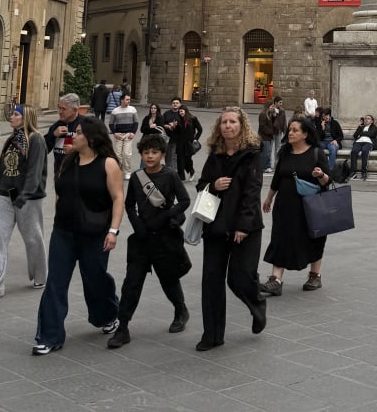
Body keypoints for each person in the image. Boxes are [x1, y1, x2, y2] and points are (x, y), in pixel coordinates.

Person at [32, 116, 124, 355]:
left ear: (93, 137)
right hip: (64, 232)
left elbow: (118, 198)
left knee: (95, 279)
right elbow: (60, 192)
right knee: (56, 283)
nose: (75, 135)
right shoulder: (68, 160)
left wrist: (113, 231)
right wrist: (59, 215)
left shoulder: (108, 164)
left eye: (81, 132)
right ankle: (49, 336)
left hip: (95, 234)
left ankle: (107, 315)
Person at [107, 132, 190, 348]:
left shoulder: (170, 176)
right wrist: (137, 225)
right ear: (141, 155)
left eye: (154, 152)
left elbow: (184, 201)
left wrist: (167, 217)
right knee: (131, 283)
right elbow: (129, 204)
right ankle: (123, 326)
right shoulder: (136, 177)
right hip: (142, 238)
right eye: (146, 153)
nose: (150, 156)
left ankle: (180, 309)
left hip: (164, 237)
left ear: (162, 154)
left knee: (168, 278)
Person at [194, 107, 266, 350]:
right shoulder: (215, 154)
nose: (227, 126)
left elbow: (252, 191)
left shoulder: (252, 154)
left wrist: (243, 226)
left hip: (245, 227)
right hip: (215, 226)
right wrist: (213, 185)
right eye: (224, 122)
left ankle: (257, 304)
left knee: (241, 278)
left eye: (232, 122)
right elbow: (201, 184)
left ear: (241, 125)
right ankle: (212, 334)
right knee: (211, 281)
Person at [0, 104, 47, 299]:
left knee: (33, 238)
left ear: (26, 118)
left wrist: (25, 195)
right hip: (5, 195)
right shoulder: (11, 139)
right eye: (13, 113)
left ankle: (40, 275)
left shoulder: (36, 140)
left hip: (28, 198)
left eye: (16, 114)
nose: (12, 116)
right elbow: (2, 170)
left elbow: (35, 171)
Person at [261, 117, 331, 294]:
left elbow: (327, 182)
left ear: (305, 134)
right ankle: (275, 280)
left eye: (295, 130)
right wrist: (269, 198)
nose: (290, 133)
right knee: (279, 238)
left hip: (309, 207)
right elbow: (277, 178)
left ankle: (315, 275)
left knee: (313, 238)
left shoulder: (316, 153)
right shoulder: (284, 152)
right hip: (284, 205)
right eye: (290, 130)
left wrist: (320, 174)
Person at [46, 93, 82, 176]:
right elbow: (44, 149)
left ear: (75, 110)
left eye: (64, 109)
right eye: (59, 108)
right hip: (59, 173)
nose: (60, 112)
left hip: (78, 174)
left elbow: (95, 150)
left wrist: (75, 148)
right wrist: (53, 135)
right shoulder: (56, 126)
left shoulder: (85, 124)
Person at [108, 91, 139, 178]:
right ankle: (118, 171)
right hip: (118, 134)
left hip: (128, 134)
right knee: (118, 154)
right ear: (122, 100)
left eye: (129, 99)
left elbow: (136, 122)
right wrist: (114, 133)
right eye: (127, 99)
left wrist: (133, 132)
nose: (129, 101)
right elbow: (111, 123)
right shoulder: (115, 111)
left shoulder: (133, 109)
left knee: (126, 154)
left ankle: (127, 171)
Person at [176, 105, 202, 180]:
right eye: (179, 111)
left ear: (185, 111)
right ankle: (181, 176)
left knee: (187, 160)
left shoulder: (193, 119)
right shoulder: (177, 120)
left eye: (181, 111)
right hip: (180, 142)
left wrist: (196, 139)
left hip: (189, 143)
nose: (180, 113)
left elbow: (200, 129)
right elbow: (177, 132)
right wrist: (174, 126)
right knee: (180, 160)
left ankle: (191, 171)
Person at [349, 115, 377, 180]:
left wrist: (361, 133)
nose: (366, 120)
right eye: (365, 119)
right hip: (359, 142)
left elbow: (372, 134)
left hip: (368, 142)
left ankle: (364, 172)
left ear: (372, 121)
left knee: (365, 151)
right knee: (354, 151)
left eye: (368, 119)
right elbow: (355, 135)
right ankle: (353, 172)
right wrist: (362, 131)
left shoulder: (374, 127)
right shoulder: (361, 127)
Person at [160, 98, 184, 172]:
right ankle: (168, 170)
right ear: (171, 104)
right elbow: (161, 123)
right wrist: (167, 126)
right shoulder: (167, 113)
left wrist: (175, 125)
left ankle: (174, 172)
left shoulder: (181, 114)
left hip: (177, 139)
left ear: (180, 104)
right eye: (173, 103)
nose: (175, 104)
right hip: (167, 138)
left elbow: (185, 126)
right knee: (167, 156)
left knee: (174, 156)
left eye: (177, 103)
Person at [258, 101, 277, 174]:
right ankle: (263, 167)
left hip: (268, 137)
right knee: (265, 152)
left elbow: (272, 124)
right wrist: (270, 132)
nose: (272, 108)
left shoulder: (269, 114)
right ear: (267, 106)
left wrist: (274, 116)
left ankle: (267, 166)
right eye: (271, 106)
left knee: (268, 152)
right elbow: (262, 126)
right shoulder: (263, 115)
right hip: (264, 137)